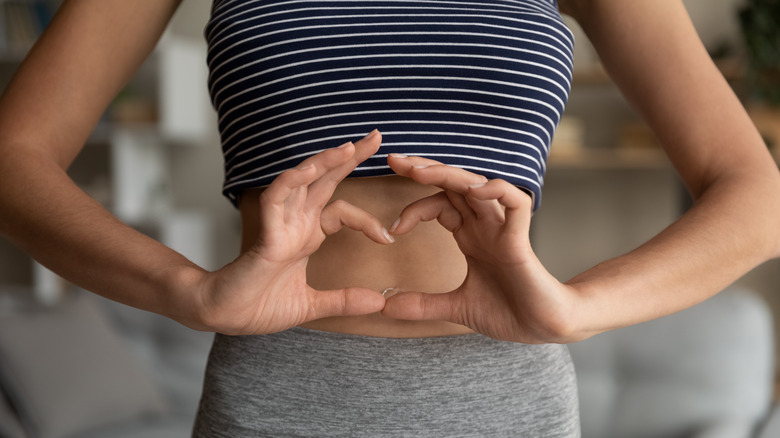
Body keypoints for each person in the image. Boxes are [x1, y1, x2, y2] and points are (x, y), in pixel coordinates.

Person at [0, 0, 778, 436]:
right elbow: (14, 159)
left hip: (505, 402)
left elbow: (756, 198)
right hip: (278, 395)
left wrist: (577, 308)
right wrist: (191, 294)